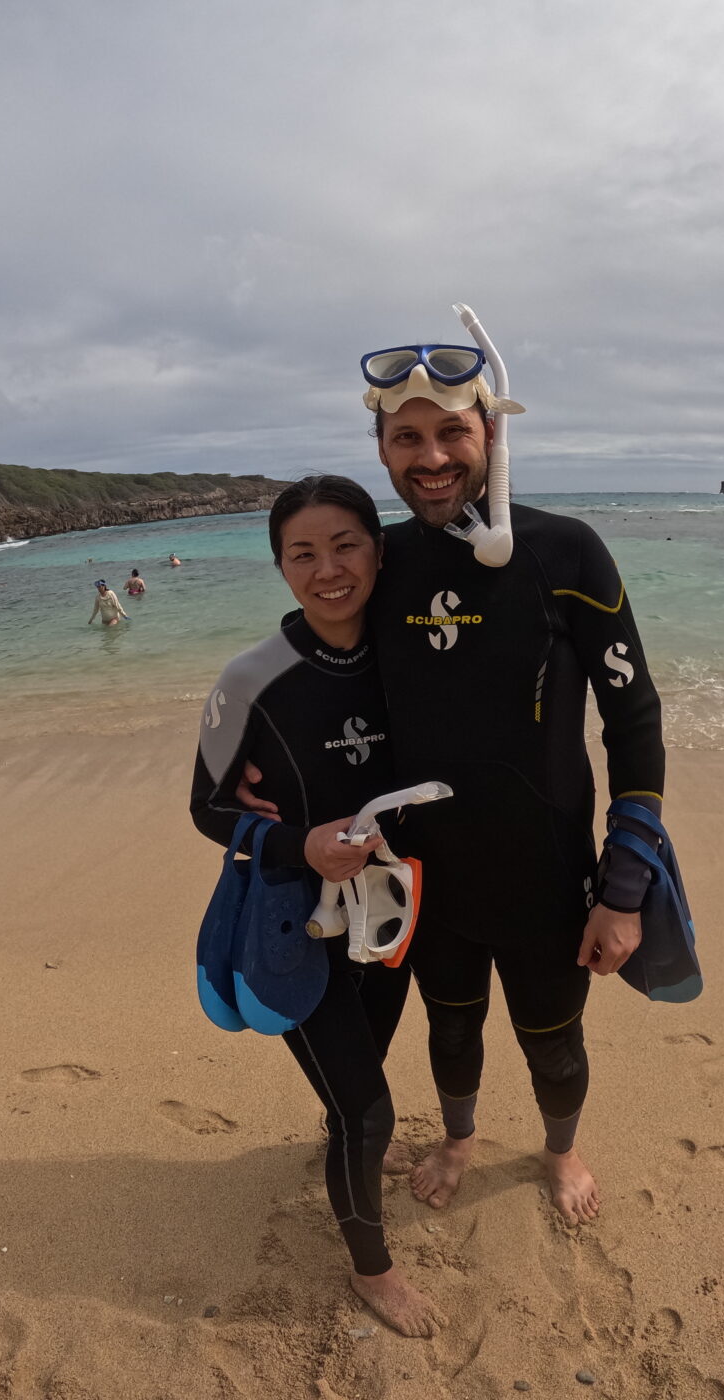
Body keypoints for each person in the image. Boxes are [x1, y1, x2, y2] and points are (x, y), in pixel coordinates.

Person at [241, 332, 665, 1226]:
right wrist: (257, 761)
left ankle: (561, 1150)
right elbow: (323, 668)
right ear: (381, 450)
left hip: (550, 876)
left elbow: (633, 720)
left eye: (452, 433)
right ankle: (461, 1138)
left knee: (554, 1042)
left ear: (491, 434)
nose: (430, 457)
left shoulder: (567, 553)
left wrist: (625, 887)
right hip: (429, 878)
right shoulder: (382, 562)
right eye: (407, 437)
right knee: (451, 1029)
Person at [190, 476, 443, 1339]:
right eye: (303, 553)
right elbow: (206, 807)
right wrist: (299, 845)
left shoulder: (415, 654)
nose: (328, 569)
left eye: (345, 546)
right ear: (280, 567)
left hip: (392, 910)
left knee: (361, 1074)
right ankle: (373, 1272)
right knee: (370, 1111)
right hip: (296, 921)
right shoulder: (252, 679)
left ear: (379, 550)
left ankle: (344, 1142)